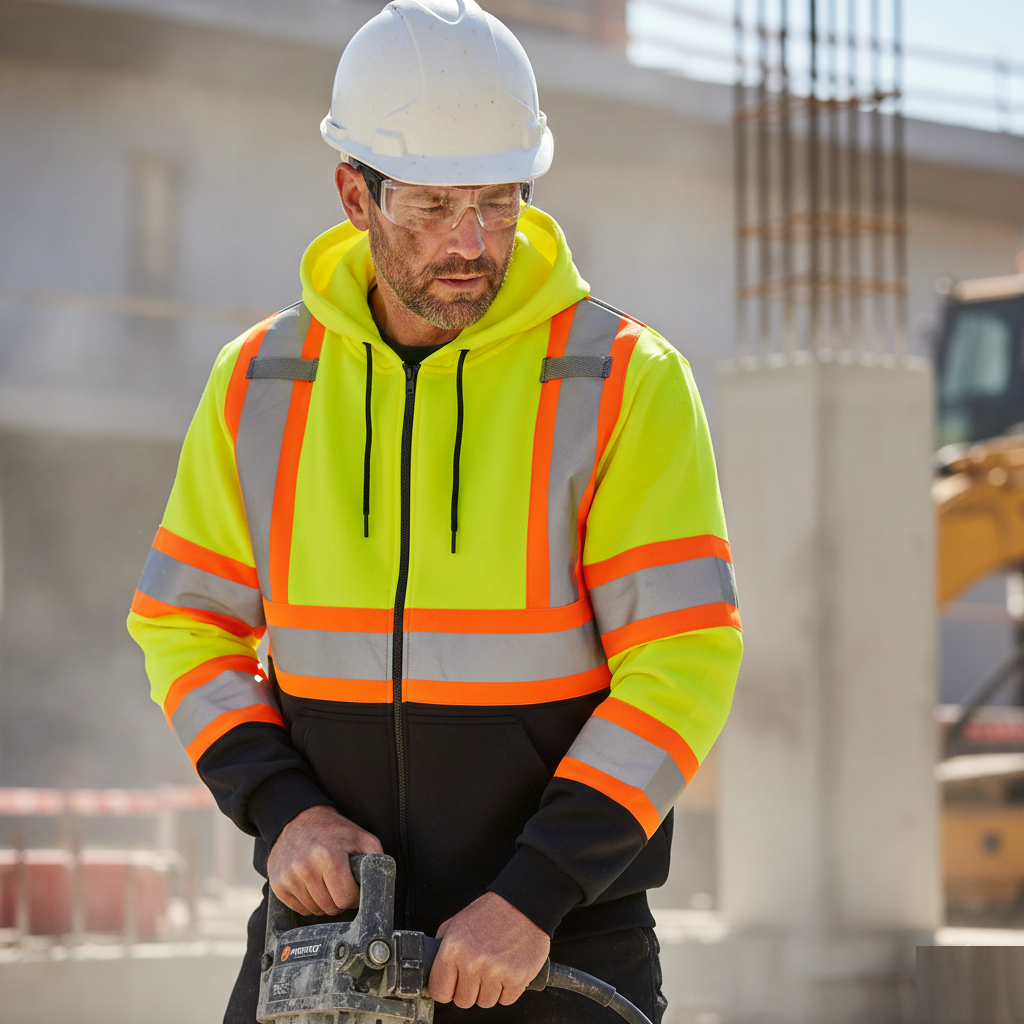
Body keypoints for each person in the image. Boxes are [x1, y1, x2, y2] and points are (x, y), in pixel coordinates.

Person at [127, 1, 742, 1020]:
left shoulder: (622, 381)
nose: (469, 241)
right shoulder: (259, 384)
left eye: (497, 201)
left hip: (556, 940)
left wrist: (532, 893)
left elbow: (683, 657)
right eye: (430, 203)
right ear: (352, 193)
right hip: (322, 926)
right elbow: (183, 623)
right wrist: (283, 813)